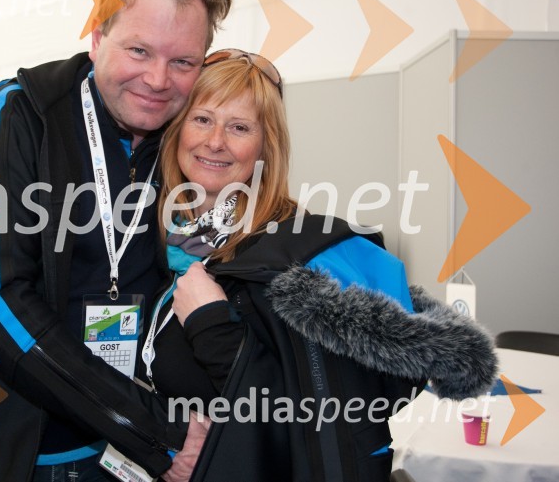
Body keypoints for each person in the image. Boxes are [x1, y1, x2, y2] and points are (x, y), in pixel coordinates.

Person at [0, 0, 232, 482]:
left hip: (114, 458)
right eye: (139, 50)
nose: (157, 78)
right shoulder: (14, 116)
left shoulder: (181, 141)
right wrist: (153, 431)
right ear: (98, 41)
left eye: (183, 62)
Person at [146, 49, 499, 481]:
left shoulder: (302, 262)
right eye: (202, 118)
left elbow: (325, 421)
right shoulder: (154, 242)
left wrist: (212, 324)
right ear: (177, 129)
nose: (215, 140)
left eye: (239, 127)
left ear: (265, 148)